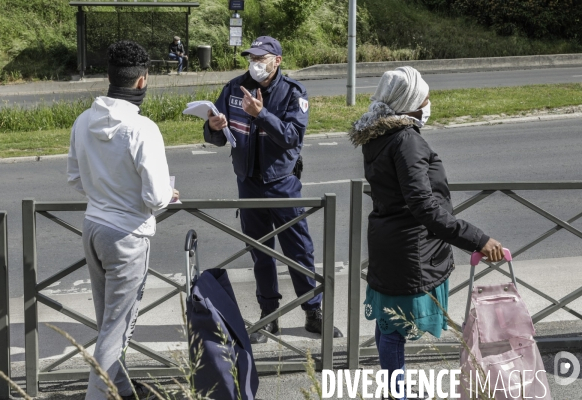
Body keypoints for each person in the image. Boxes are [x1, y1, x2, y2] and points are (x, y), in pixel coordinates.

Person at [348, 66, 504, 399]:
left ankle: (396, 389)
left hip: (389, 242)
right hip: (410, 250)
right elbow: (425, 208)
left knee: (388, 326)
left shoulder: (377, 135)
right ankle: (398, 394)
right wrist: (479, 239)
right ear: (411, 102)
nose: (430, 100)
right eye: (425, 96)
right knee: (394, 331)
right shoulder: (406, 140)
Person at [204, 36, 343, 344]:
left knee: (299, 251)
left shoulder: (293, 92)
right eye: (251, 57)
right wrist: (212, 127)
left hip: (283, 184)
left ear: (277, 60)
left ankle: (313, 314)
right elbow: (219, 137)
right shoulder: (233, 88)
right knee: (261, 253)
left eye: (261, 58)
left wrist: (261, 115)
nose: (254, 63)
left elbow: (292, 137)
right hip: (248, 184)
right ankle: (270, 318)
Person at [67, 40, 178, 400]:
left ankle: (124, 392)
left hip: (93, 227)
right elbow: (158, 197)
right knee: (117, 331)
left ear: (109, 77)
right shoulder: (143, 128)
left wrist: (106, 191)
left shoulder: (83, 120)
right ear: (142, 81)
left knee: (109, 325)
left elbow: (75, 178)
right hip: (128, 235)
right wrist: (161, 196)